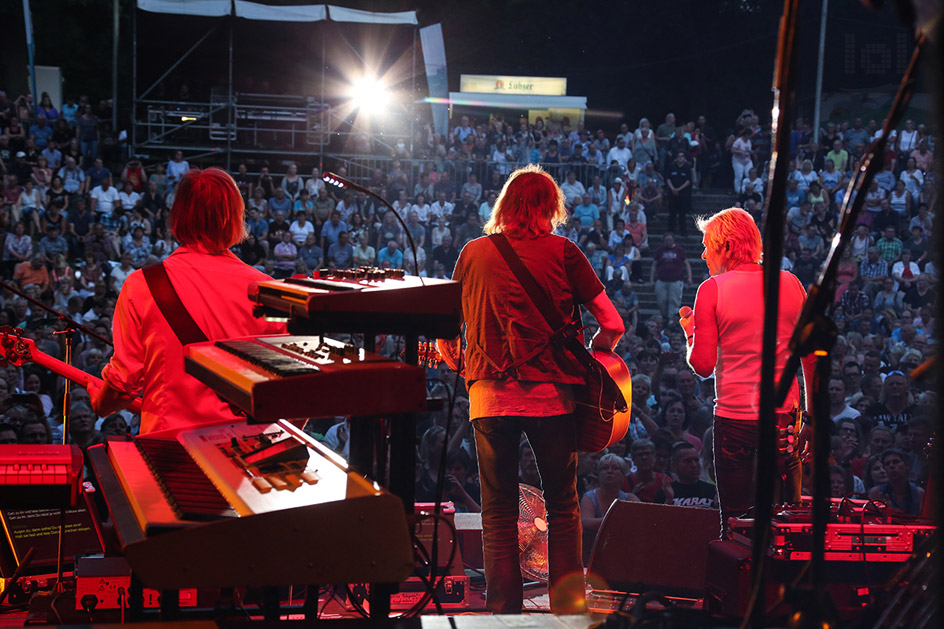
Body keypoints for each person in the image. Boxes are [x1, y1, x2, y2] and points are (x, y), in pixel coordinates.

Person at [436, 165, 624, 615]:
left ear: (504, 205)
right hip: (551, 398)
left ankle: (504, 613)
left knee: (496, 510)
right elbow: (613, 323)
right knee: (562, 504)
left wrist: (464, 364)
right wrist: (598, 354)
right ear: (549, 208)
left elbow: (444, 333)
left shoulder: (473, 252)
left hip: (489, 398)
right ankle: (566, 608)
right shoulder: (565, 252)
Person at [90, 168, 284, 435]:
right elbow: (297, 393)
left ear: (178, 215)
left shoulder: (142, 285)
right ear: (236, 216)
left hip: (168, 449)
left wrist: (100, 403)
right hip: (245, 458)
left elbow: (124, 384)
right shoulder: (269, 291)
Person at [680, 207, 815, 524]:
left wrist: (690, 333)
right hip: (785, 418)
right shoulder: (791, 284)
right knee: (787, 524)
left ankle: (739, 569)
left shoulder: (712, 290)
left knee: (736, 522)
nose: (702, 255)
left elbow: (702, 365)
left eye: (707, 245)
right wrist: (812, 418)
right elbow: (811, 358)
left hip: (735, 420)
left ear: (726, 246)